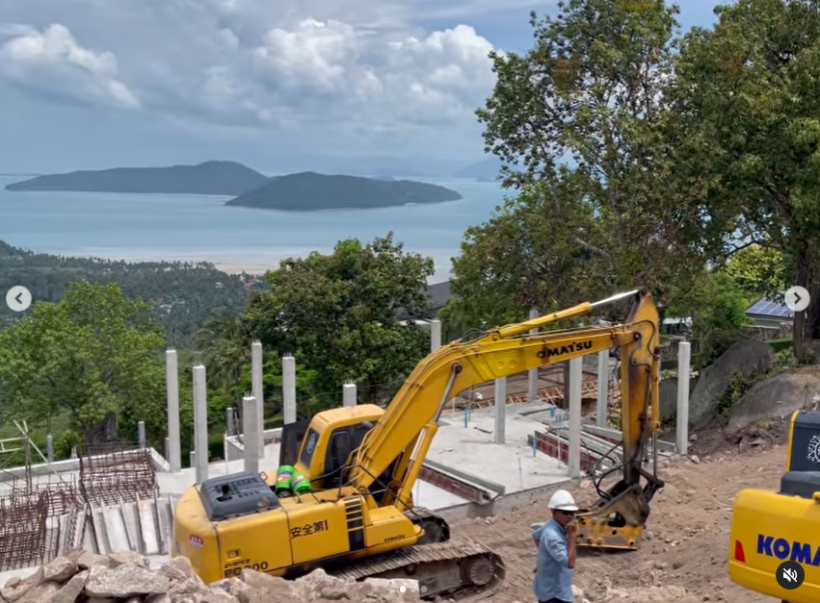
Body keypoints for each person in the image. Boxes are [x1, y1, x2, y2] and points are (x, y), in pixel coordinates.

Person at [531, 489, 578, 603]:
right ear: (554, 512)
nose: (569, 517)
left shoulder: (550, 525)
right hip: (555, 594)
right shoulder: (553, 536)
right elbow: (570, 563)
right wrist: (571, 535)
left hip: (549, 588)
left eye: (572, 513)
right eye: (565, 513)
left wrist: (544, 561)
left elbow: (536, 535)